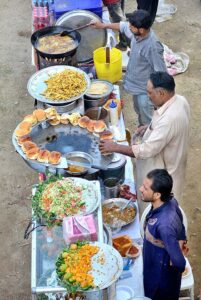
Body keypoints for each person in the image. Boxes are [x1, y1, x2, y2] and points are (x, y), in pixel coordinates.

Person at [99, 72, 190, 213]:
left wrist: (115, 147)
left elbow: (145, 151)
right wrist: (149, 126)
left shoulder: (169, 120)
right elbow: (165, 127)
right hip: (170, 161)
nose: (148, 96)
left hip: (164, 174)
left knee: (154, 211)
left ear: (161, 93)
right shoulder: (180, 100)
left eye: (150, 93)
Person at [90, 10, 167, 126]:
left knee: (147, 119)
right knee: (139, 111)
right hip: (135, 86)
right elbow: (122, 26)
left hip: (145, 91)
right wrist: (102, 25)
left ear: (141, 30)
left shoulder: (152, 47)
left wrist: (159, 98)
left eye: (132, 26)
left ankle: (147, 139)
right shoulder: (136, 32)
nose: (129, 27)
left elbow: (161, 73)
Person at [140, 169, 187, 300]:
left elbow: (178, 262)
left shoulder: (164, 225)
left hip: (160, 279)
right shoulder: (171, 201)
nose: (140, 189)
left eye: (145, 187)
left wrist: (169, 272)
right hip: (152, 264)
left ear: (157, 195)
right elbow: (181, 227)